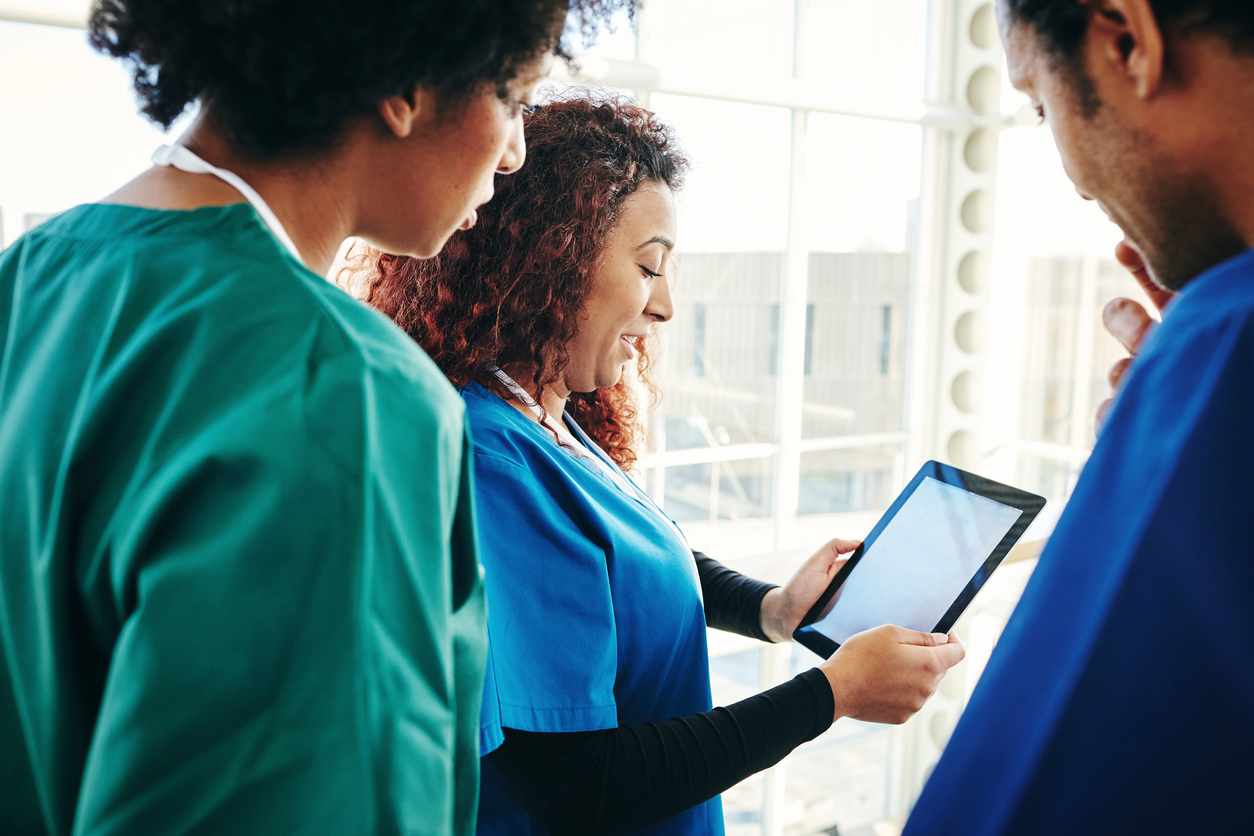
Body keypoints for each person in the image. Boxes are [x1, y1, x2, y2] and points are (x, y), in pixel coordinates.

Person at [0, 2, 632, 834]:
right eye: (514, 98)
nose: (514, 151)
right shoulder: (347, 394)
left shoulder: (33, 275)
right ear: (407, 78)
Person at [363, 94, 966, 836]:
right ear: (552, 260)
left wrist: (770, 609)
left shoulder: (544, 415)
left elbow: (622, 561)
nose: (667, 307)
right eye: (649, 269)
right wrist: (830, 695)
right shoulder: (490, 461)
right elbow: (579, 786)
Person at [904, 1, 1254, 833]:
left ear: (1126, 40)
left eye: (1037, 102)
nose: (1072, 173)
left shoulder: (1227, 334)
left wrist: (1190, 421)